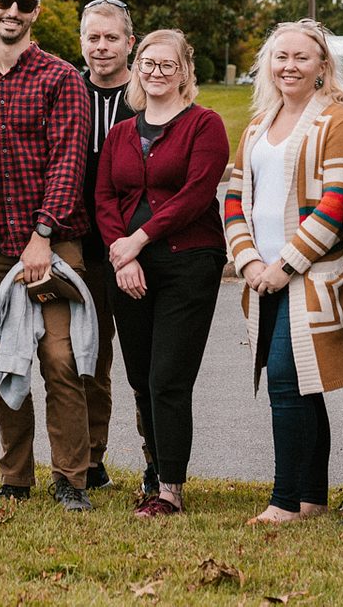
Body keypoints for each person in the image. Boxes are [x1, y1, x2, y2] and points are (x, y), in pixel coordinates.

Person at [222, 20, 343, 524]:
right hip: (263, 274)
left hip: (313, 277)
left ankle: (283, 501)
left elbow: (336, 204)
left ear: (323, 66)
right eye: (281, 57)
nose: (289, 66)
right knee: (299, 385)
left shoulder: (339, 122)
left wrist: (284, 265)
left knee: (286, 379)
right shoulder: (260, 124)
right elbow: (235, 199)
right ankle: (312, 498)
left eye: (302, 57)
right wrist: (250, 261)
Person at [0, 0, 94, 511]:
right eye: (5, 2)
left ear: (37, 12)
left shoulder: (60, 77)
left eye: (24, 4)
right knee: (8, 364)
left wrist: (42, 234)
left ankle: (71, 478)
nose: (13, 12)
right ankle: (14, 478)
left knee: (60, 359)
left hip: (53, 244)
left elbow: (69, 163)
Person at [96, 28, 229, 517]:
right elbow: (105, 197)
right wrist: (121, 252)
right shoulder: (121, 133)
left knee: (169, 378)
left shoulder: (204, 125)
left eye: (166, 65)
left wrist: (139, 239)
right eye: (147, 64)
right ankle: (154, 472)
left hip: (187, 264)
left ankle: (170, 489)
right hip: (128, 268)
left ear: (184, 72)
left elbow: (197, 194)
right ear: (138, 70)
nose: (155, 72)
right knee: (139, 376)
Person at [77, 0, 138, 492]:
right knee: (89, 357)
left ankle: (158, 459)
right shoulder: (68, 91)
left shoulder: (147, 94)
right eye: (94, 38)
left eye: (111, 38)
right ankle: (91, 459)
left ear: (129, 43)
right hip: (83, 246)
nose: (102, 47)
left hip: (137, 247)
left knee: (145, 359)